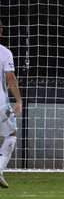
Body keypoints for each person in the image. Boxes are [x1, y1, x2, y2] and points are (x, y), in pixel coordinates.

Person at [0, 20, 23, 188]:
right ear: (1, 31)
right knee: (11, 134)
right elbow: (10, 79)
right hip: (0, 103)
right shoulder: (4, 52)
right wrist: (19, 100)